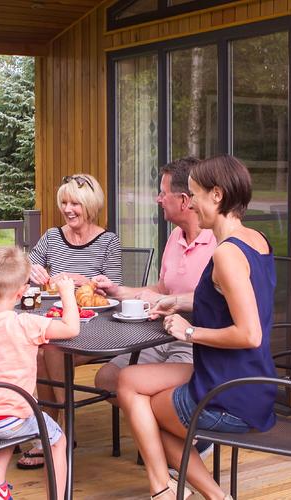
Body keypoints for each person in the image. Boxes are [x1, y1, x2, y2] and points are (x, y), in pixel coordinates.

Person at [117, 155, 277, 500]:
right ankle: (174, 490)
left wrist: (189, 332)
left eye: (195, 195)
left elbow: (249, 333)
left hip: (231, 392)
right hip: (237, 374)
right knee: (127, 382)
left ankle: (172, 490)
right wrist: (178, 302)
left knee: (145, 410)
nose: (191, 204)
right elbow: (232, 301)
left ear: (216, 196)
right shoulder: (255, 239)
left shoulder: (226, 255)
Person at [18, 172, 122, 469]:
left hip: (97, 329)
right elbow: (26, 265)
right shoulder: (52, 236)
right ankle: (52, 432)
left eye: (75, 203)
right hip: (56, 322)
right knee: (42, 351)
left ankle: (60, 428)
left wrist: (86, 280)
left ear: (90, 205)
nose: (68, 209)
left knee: (50, 349)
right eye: (64, 202)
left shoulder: (108, 241)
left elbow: (114, 289)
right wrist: (32, 272)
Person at [0, 246, 80, 500]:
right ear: (22, 292)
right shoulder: (25, 324)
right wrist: (67, 293)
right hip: (10, 419)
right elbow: (71, 328)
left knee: (15, 411)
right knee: (57, 440)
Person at [92, 157, 216, 402]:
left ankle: (181, 433)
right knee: (107, 379)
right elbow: (161, 288)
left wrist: (164, 299)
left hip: (196, 340)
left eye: (163, 193)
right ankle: (161, 430)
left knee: (153, 393)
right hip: (160, 335)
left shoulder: (218, 242)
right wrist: (118, 291)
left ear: (184, 200)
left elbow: (214, 299)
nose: (158, 199)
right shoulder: (175, 238)